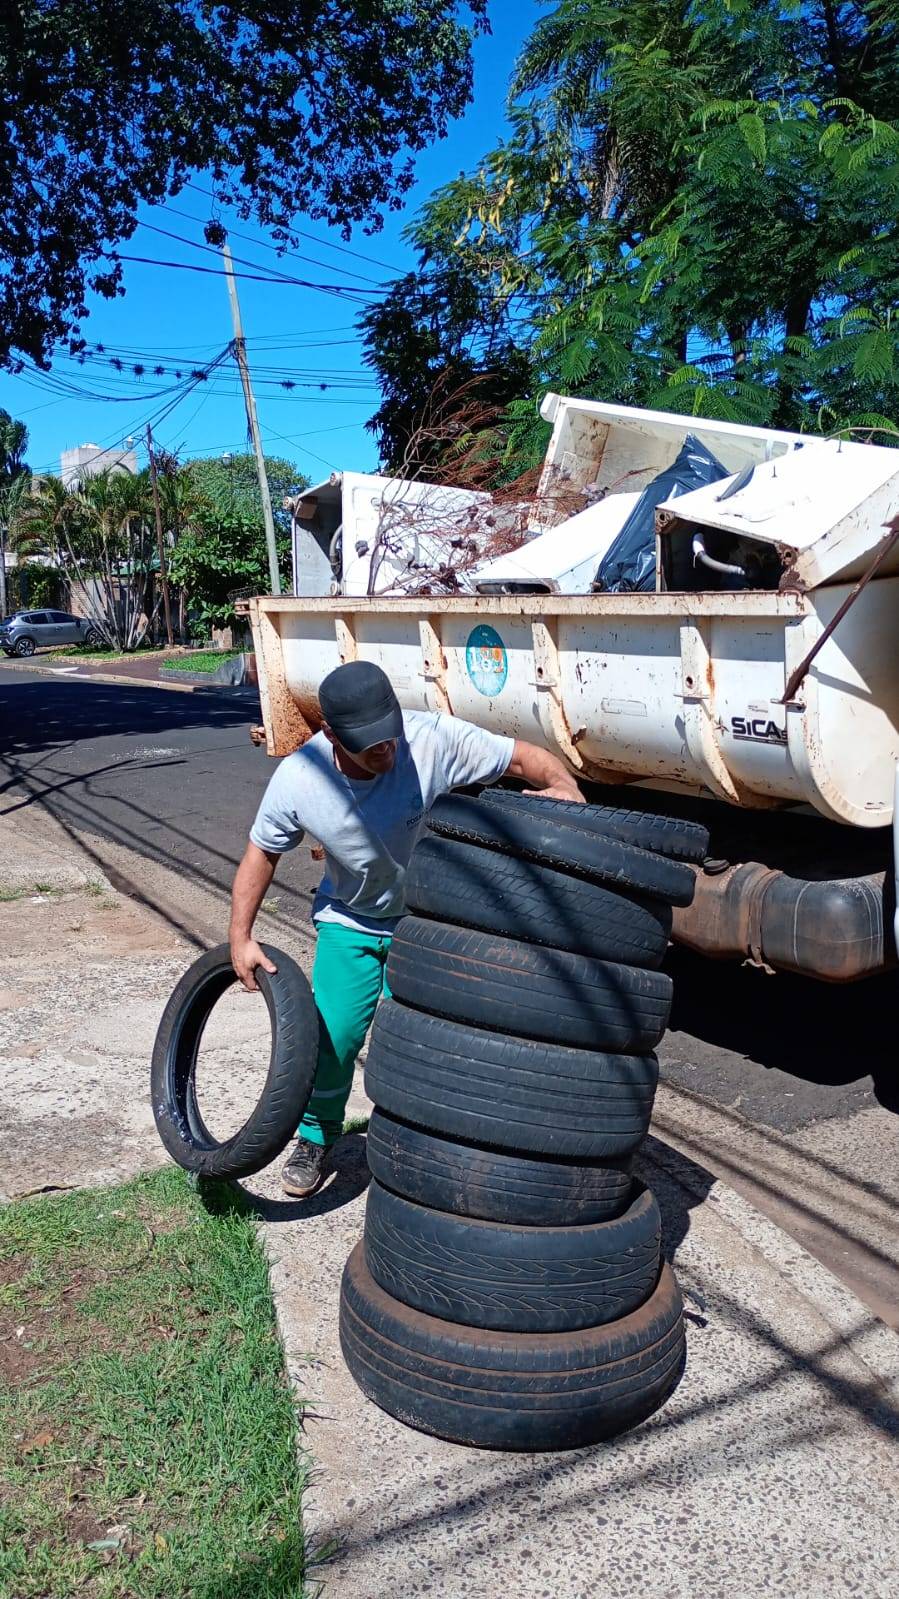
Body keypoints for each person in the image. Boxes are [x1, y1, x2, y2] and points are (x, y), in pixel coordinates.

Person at [230, 660, 584, 1197]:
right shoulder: (301, 779)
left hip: (424, 922)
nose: (386, 749)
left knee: (417, 1044)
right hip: (350, 920)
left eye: (389, 734)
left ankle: (414, 1139)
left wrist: (565, 789)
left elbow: (519, 756)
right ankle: (315, 1135)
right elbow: (262, 852)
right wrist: (240, 938)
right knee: (334, 1038)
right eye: (369, 744)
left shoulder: (429, 740)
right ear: (333, 736)